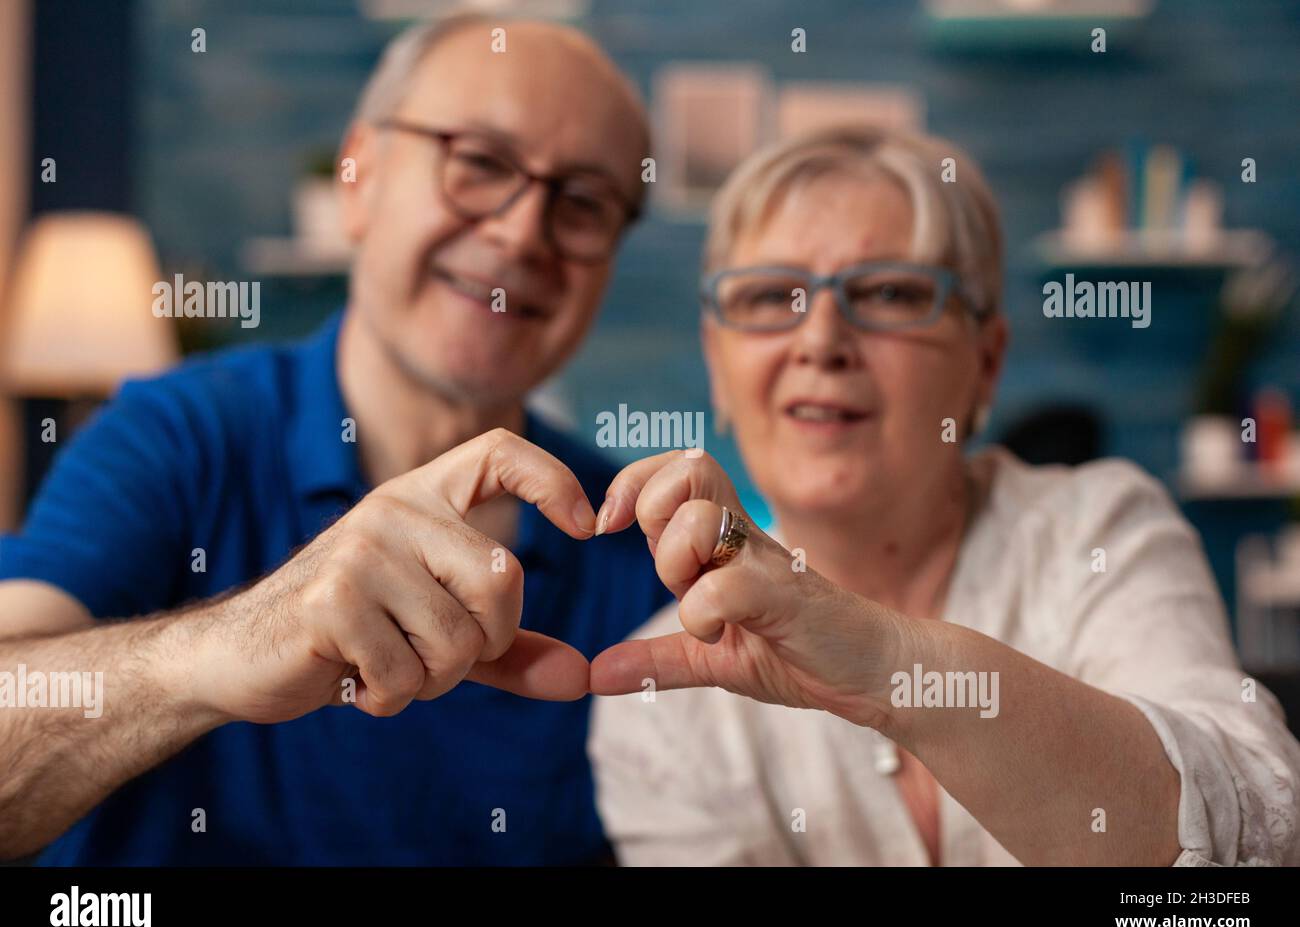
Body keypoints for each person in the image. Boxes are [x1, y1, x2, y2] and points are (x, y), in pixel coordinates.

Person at [0, 14, 668, 865]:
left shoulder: (628, 545)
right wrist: (229, 644)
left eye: (582, 203)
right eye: (479, 163)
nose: (521, 233)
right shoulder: (176, 436)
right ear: (358, 177)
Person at [587, 125, 1300, 866]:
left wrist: (892, 665)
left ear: (984, 364)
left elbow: (1257, 833)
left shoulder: (1100, 531)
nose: (821, 339)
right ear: (717, 363)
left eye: (891, 292)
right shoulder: (666, 693)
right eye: (771, 295)